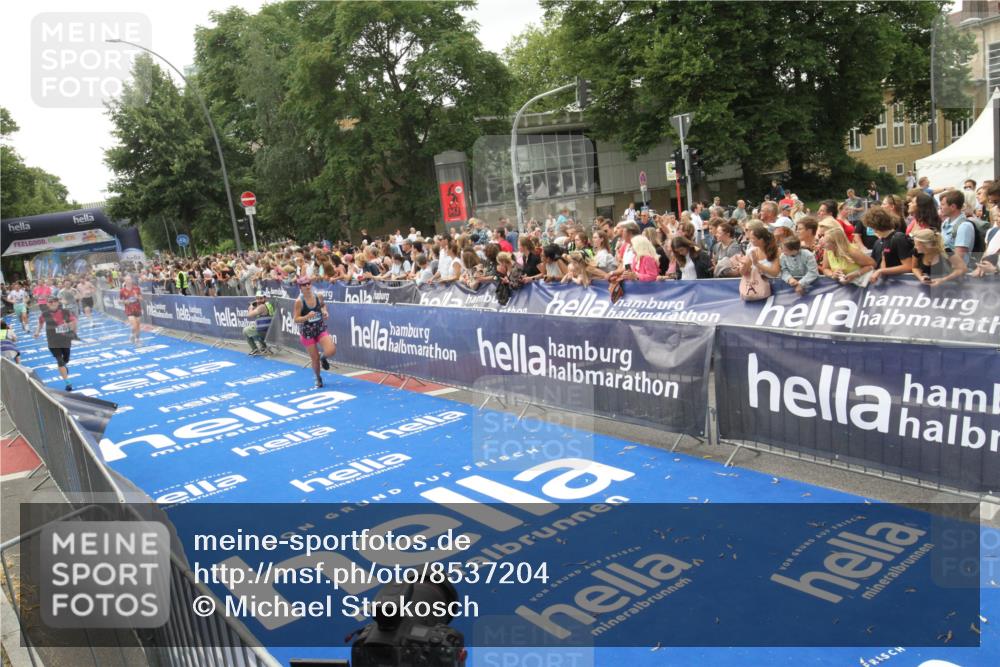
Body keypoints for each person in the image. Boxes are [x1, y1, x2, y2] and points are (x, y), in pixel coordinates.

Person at [293, 277, 336, 388]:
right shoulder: (299, 302)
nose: (307, 286)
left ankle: (323, 358)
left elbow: (323, 305)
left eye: (308, 283)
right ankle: (318, 377)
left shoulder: (318, 296)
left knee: (331, 350)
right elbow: (296, 319)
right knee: (314, 358)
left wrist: (325, 311)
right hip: (307, 332)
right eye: (304, 285)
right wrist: (307, 317)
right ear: (300, 287)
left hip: (319, 327)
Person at [33, 295, 77, 391]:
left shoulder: (65, 312)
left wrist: (71, 329)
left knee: (66, 359)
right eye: (50, 302)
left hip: (65, 340)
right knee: (59, 360)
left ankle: (64, 366)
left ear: (58, 302)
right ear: (47, 304)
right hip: (52, 342)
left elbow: (74, 322)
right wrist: (37, 332)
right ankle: (68, 382)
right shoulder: (44, 314)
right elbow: (40, 323)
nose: (52, 303)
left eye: (54, 301)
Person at [864, 206, 914, 285]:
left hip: (900, 284)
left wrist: (881, 271)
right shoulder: (877, 242)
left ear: (875, 226)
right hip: (883, 286)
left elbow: (909, 266)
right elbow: (873, 265)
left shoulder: (898, 238)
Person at [939, 189, 976, 268]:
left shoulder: (964, 226)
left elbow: (958, 259)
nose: (940, 207)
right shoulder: (946, 222)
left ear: (953, 207)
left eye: (942, 204)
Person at [244, 291, 275, 356]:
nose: (259, 300)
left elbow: (249, 315)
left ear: (265, 298)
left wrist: (251, 307)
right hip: (269, 329)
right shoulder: (268, 304)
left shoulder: (262, 307)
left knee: (245, 330)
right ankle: (264, 347)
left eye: (261, 298)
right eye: (257, 298)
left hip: (263, 330)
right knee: (254, 327)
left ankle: (255, 349)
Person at [120, 275, 143, 346]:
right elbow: (120, 300)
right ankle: (137, 340)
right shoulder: (122, 291)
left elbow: (141, 298)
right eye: (127, 280)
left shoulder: (137, 288)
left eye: (130, 279)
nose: (129, 281)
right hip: (129, 310)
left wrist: (137, 297)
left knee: (138, 326)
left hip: (137, 309)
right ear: (125, 281)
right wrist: (125, 302)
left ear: (131, 280)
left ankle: (134, 336)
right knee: (134, 325)